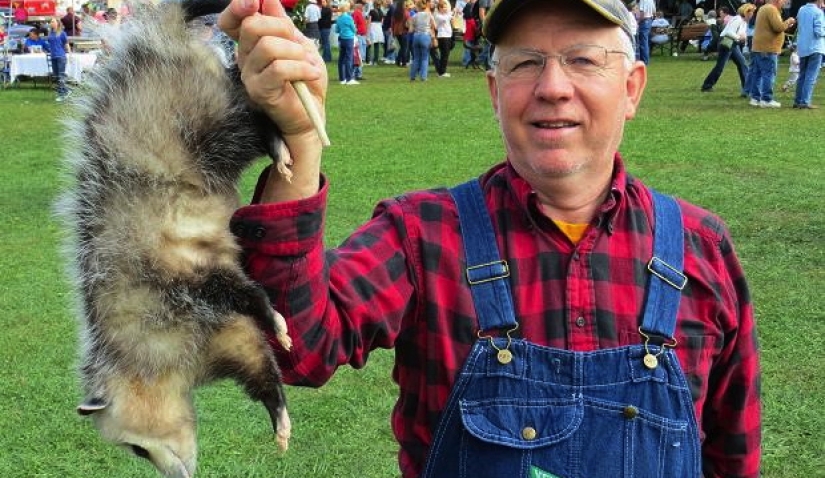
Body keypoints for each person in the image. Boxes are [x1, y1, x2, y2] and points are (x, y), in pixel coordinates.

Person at [217, 0, 762, 476]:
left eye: (583, 60)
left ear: (632, 88)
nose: (553, 88)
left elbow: (733, 454)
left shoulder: (700, 246)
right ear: (496, 92)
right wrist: (300, 137)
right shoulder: (423, 233)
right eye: (527, 63)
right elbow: (298, 350)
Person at [747, 0, 795, 108]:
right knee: (769, 73)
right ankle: (766, 99)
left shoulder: (763, 8)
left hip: (758, 47)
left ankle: (755, 98)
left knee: (757, 73)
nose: (784, 3)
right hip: (768, 48)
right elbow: (778, 27)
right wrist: (788, 21)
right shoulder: (772, 10)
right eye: (783, 1)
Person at [701, 4, 754, 95]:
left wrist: (742, 38)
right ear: (746, 12)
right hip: (726, 43)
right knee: (721, 66)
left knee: (742, 64)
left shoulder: (743, 21)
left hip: (732, 44)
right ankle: (707, 85)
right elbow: (729, 32)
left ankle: (746, 88)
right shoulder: (738, 20)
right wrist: (739, 37)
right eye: (751, 12)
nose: (752, 14)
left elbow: (740, 35)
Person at [791, 0, 825, 109]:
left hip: (803, 47)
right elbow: (819, 32)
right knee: (811, 76)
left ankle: (798, 100)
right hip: (815, 47)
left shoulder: (801, 10)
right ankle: (805, 101)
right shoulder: (818, 12)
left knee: (802, 75)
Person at [44, 17, 71, 102]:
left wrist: (70, 54)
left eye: (52, 22)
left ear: (57, 23)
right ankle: (66, 90)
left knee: (60, 76)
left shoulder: (62, 33)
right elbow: (50, 44)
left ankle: (62, 94)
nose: (51, 23)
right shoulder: (50, 33)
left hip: (60, 56)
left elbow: (66, 44)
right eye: (50, 22)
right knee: (56, 75)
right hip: (53, 56)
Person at [408, 0, 435, 81]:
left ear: (417, 7)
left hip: (416, 36)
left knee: (416, 58)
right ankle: (423, 77)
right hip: (425, 36)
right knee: (424, 58)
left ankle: (412, 76)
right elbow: (435, 26)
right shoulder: (429, 15)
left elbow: (411, 30)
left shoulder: (414, 16)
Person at [335, 1, 358, 84]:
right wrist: (355, 30)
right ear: (346, 8)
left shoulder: (339, 18)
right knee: (349, 58)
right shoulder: (349, 18)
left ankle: (342, 78)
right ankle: (349, 79)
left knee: (341, 58)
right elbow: (354, 29)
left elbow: (336, 30)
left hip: (341, 39)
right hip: (349, 39)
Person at [433, 0, 453, 77]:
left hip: (447, 36)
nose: (445, 9)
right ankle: (442, 72)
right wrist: (451, 13)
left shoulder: (445, 14)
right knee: (444, 55)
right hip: (442, 36)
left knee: (445, 54)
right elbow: (445, 19)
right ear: (439, 8)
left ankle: (441, 71)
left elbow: (449, 17)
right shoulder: (438, 16)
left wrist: (451, 13)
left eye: (446, 7)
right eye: (443, 8)